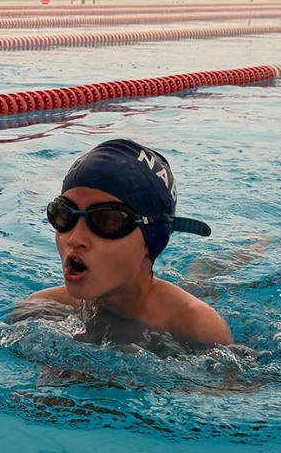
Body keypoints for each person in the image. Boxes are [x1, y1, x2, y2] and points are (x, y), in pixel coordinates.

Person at [18, 138, 232, 347]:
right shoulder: (42, 310)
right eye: (63, 214)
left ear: (152, 237)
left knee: (198, 282)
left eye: (107, 221)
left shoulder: (197, 327)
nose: (75, 239)